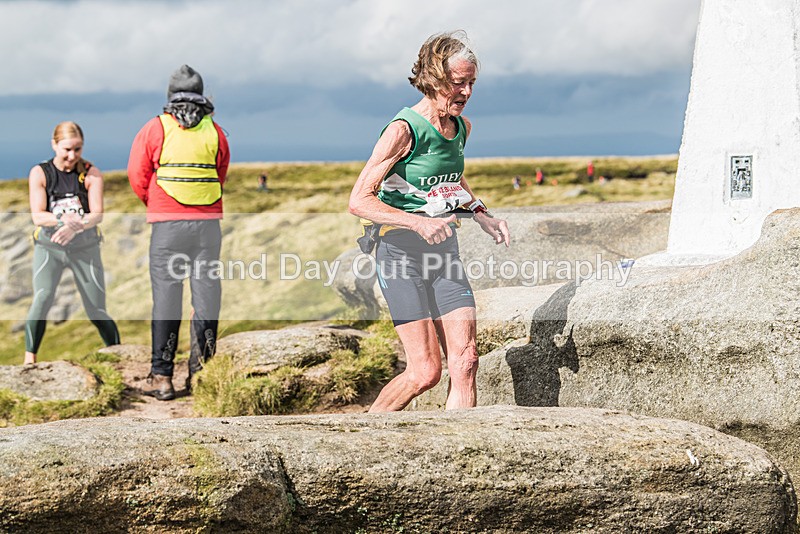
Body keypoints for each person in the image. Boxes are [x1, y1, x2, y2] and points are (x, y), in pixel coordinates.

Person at [349, 32, 510, 412]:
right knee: (425, 372)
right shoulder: (403, 130)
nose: (467, 91)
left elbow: (451, 179)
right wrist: (417, 223)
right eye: (459, 83)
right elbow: (358, 200)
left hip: (444, 253)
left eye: (472, 83)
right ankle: (363, 433)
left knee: (467, 361)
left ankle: (464, 455)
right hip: (398, 253)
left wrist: (479, 212)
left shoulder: (461, 128)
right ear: (434, 80)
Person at [127, 65, 230, 401]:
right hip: (207, 227)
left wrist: (157, 202)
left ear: (171, 96)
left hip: (167, 227)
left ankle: (162, 378)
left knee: (167, 300)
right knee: (206, 301)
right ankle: (201, 378)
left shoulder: (155, 129)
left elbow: (137, 175)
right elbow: (221, 173)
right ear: (201, 95)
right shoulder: (215, 131)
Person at [24, 122, 120, 364]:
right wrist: (60, 218)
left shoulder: (91, 173)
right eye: (67, 149)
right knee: (43, 298)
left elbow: (97, 214)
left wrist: (73, 227)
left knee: (96, 308)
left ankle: (119, 355)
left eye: (77, 149)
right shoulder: (40, 173)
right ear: (54, 145)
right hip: (50, 249)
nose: (72, 155)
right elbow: (38, 216)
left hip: (85, 249)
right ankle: (29, 360)